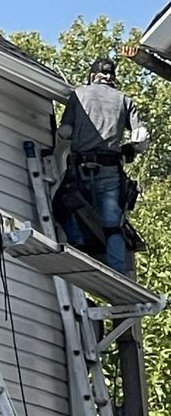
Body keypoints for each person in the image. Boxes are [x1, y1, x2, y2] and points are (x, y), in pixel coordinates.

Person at [56, 57, 149, 274]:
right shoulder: (124, 100)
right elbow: (141, 138)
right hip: (109, 169)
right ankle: (117, 271)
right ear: (112, 77)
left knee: (68, 207)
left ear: (92, 76)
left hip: (80, 168)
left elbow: (65, 132)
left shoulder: (78, 95)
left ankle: (78, 250)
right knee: (111, 224)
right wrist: (130, 149)